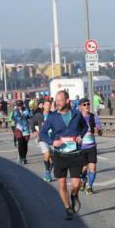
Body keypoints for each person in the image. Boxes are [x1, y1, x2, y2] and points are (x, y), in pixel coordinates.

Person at [39, 90, 89, 220]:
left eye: (60, 101)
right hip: (59, 155)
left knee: (76, 185)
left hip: (75, 154)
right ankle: (68, 208)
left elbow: (85, 127)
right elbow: (42, 133)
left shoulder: (77, 114)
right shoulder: (52, 117)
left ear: (67, 101)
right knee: (61, 185)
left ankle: (74, 195)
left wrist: (80, 136)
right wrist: (52, 142)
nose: (57, 103)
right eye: (56, 101)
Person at [76, 98, 103, 195]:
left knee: (93, 167)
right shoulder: (77, 117)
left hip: (91, 146)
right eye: (84, 104)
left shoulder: (93, 117)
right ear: (80, 107)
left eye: (88, 104)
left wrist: (98, 129)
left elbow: (99, 129)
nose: (87, 106)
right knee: (83, 169)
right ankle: (83, 179)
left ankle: (89, 187)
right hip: (81, 147)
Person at [30, 99, 53, 182]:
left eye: (49, 105)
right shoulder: (39, 115)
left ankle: (48, 172)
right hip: (43, 138)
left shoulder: (54, 115)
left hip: (52, 138)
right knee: (47, 153)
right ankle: (47, 171)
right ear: (43, 106)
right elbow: (32, 122)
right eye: (46, 105)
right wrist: (34, 131)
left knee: (53, 159)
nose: (48, 106)